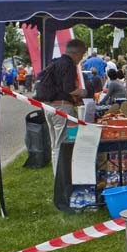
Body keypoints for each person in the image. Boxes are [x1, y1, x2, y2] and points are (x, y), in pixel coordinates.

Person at [36, 38, 87, 174]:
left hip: (49, 107)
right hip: (62, 108)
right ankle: (62, 177)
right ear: (77, 53)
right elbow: (69, 89)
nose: (80, 59)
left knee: (55, 144)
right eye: (82, 55)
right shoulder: (69, 65)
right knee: (63, 144)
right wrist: (83, 92)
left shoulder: (55, 63)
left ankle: (57, 175)